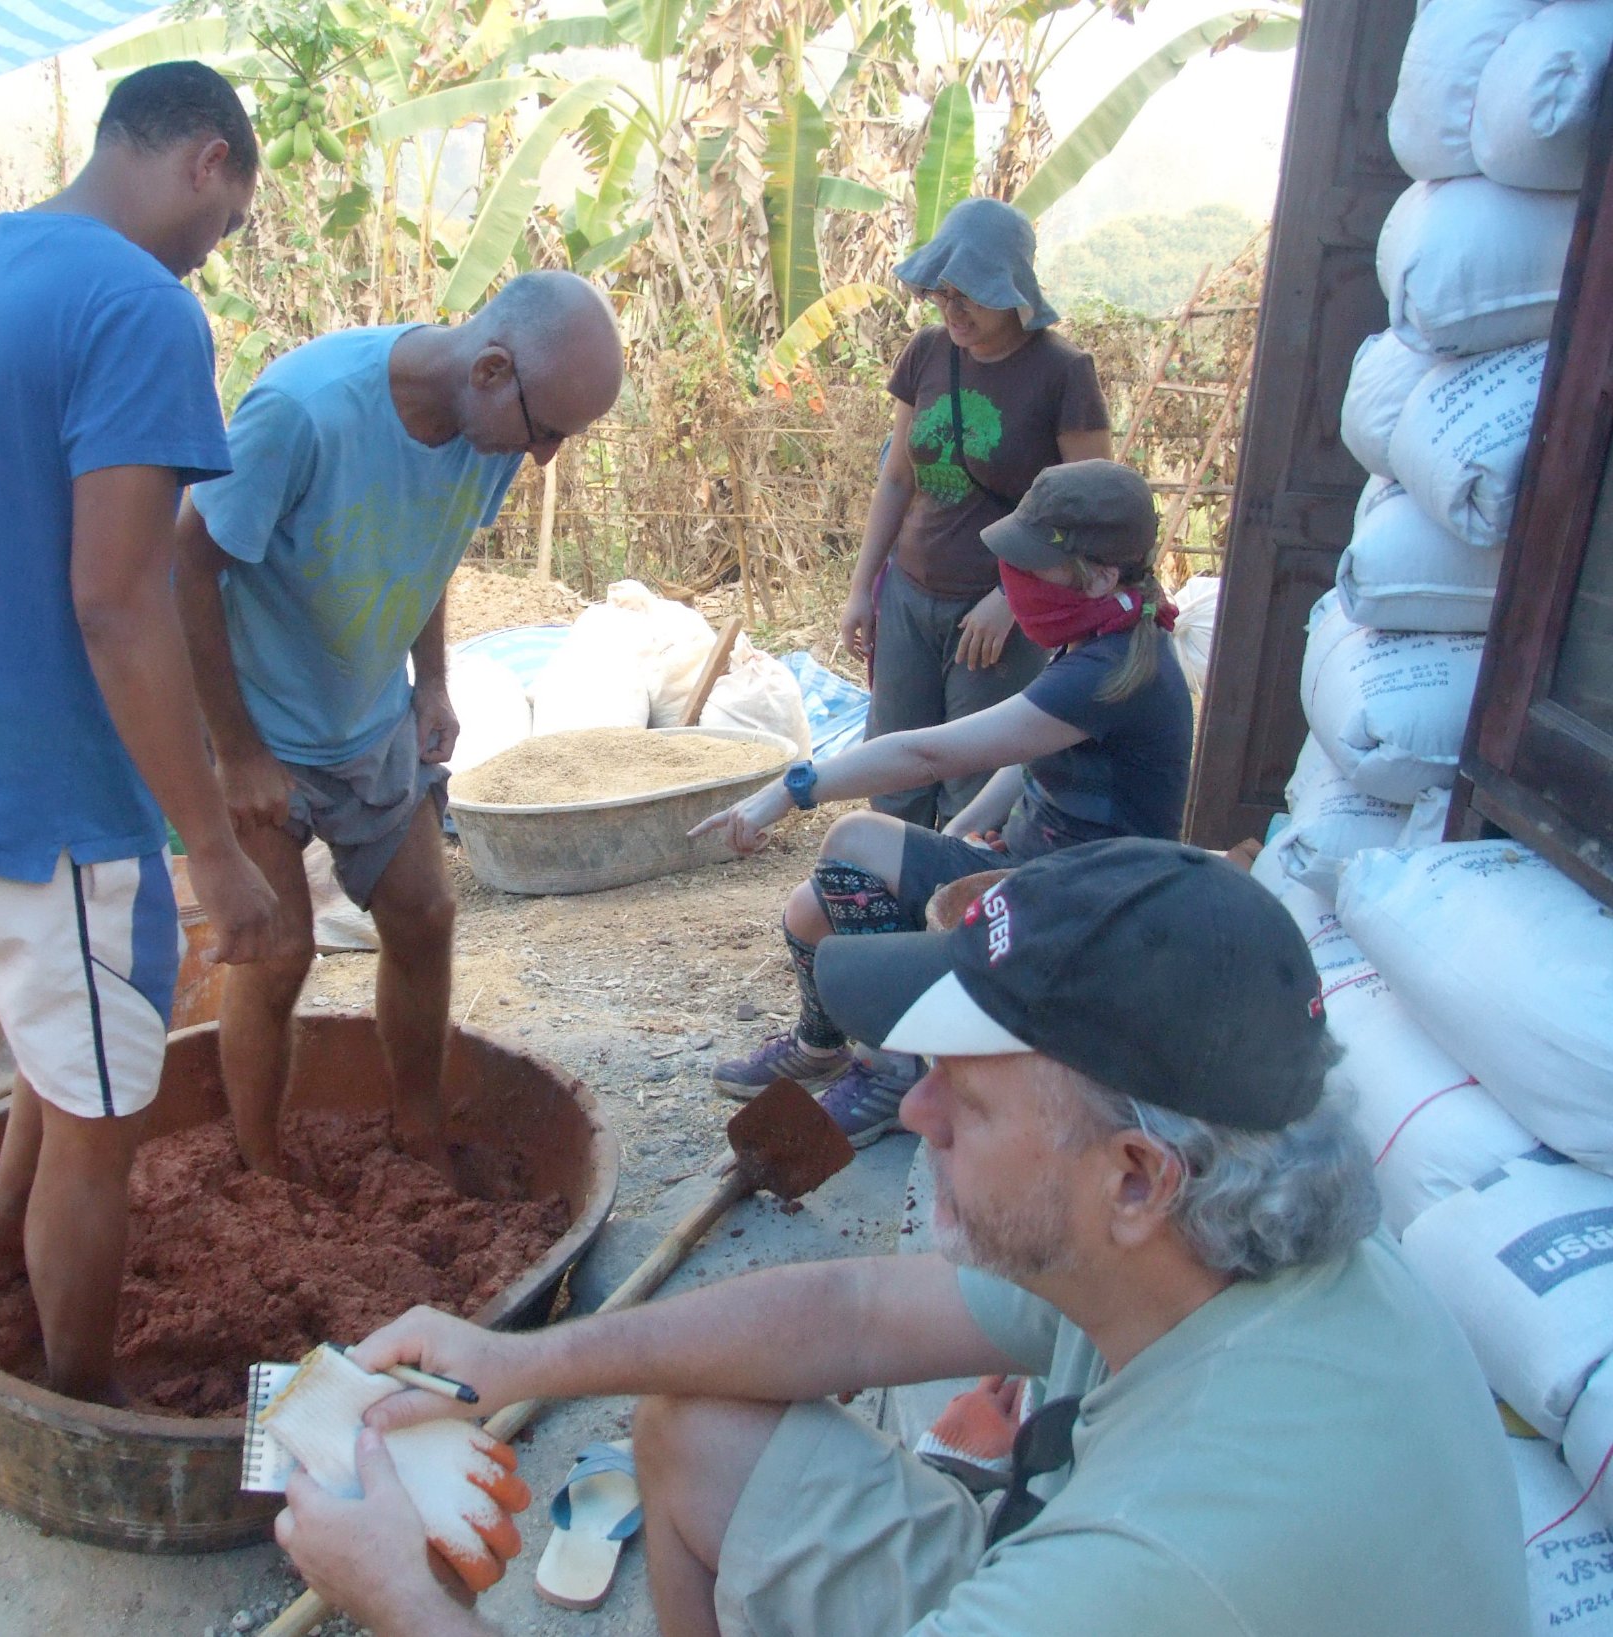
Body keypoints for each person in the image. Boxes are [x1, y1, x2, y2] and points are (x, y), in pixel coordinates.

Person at [268, 839, 1530, 1637]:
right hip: (1074, 1543)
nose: (913, 1113)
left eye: (963, 1097)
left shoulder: (1151, 1567)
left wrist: (405, 1597)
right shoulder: (1195, 1243)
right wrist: (521, 1361)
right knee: (695, 1425)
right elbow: (859, 1314)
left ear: (1136, 1174)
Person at [0, 62, 283, 1404]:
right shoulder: (139, 307)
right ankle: (81, 1401)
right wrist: (211, 845)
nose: (209, 253)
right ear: (207, 160)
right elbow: (118, 599)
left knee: (63, 1042)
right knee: (106, 1121)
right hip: (49, 810)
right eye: (225, 223)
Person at [173, 271, 624, 1174]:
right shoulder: (303, 413)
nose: (543, 459)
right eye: (546, 432)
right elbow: (186, 563)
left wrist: (433, 683)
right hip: (258, 725)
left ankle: (420, 1137)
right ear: (491, 369)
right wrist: (238, 750)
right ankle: (261, 1173)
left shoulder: (489, 433)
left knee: (425, 915)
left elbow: (430, 547)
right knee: (277, 951)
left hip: (371, 716)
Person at [703, 459, 1191, 1145]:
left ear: (1101, 577)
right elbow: (1027, 758)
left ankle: (891, 1068)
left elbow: (930, 755)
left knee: (852, 840)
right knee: (811, 908)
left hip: (1087, 908)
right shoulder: (1102, 638)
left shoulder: (1111, 670)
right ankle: (820, 1045)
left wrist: (792, 788)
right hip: (1047, 872)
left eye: (1033, 564)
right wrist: (959, 834)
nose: (1013, 579)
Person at [841, 197, 1112, 832]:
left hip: (996, 617)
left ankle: (958, 895)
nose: (952, 310)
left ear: (1012, 290)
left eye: (969, 296)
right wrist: (861, 590)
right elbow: (897, 479)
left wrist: (1012, 599)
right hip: (909, 598)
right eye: (942, 294)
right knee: (893, 775)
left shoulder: (1063, 372)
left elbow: (1092, 509)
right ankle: (892, 888)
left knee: (975, 790)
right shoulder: (927, 352)